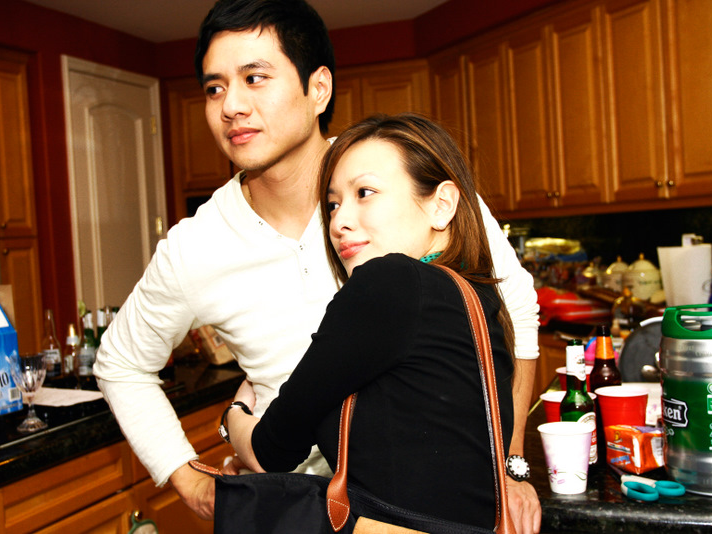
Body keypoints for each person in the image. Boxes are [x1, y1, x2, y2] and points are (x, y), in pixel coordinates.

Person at [93, 0, 541, 532]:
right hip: (293, 509)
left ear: (318, 88)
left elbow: (513, 307)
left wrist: (507, 463)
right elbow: (120, 363)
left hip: (420, 508)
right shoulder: (194, 247)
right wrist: (187, 479)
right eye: (214, 88)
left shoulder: (404, 185)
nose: (231, 105)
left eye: (254, 78)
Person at [225, 112, 515, 530]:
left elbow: (269, 451)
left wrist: (234, 415)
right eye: (333, 204)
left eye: (365, 192)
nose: (338, 222)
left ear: (441, 204)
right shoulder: (476, 297)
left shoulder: (390, 283)